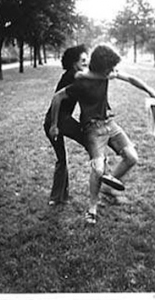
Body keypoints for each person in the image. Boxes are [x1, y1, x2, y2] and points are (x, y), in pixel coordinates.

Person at [49, 44, 155, 224]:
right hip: (93, 130)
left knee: (132, 157)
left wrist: (151, 91)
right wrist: (54, 124)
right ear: (102, 68)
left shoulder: (106, 75)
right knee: (98, 168)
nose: (114, 70)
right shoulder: (81, 82)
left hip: (110, 124)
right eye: (110, 67)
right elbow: (57, 98)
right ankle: (92, 208)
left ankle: (109, 188)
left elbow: (131, 78)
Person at [43, 45, 89, 206]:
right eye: (83, 60)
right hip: (56, 120)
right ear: (74, 63)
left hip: (58, 120)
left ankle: (59, 197)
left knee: (62, 159)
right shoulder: (73, 75)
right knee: (89, 142)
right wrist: (54, 125)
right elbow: (56, 99)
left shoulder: (75, 75)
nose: (86, 62)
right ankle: (104, 173)